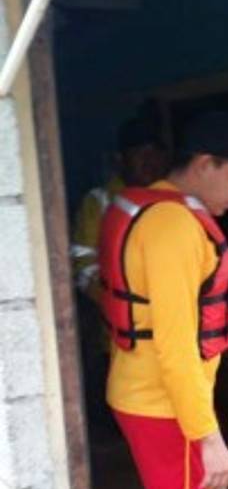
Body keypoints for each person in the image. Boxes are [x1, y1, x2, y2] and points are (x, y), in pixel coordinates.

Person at [98, 112, 228, 489]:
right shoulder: (173, 228)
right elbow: (175, 348)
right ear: (203, 165)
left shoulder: (141, 207)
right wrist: (207, 437)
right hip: (161, 402)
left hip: (148, 390)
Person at [71, 118, 168, 432]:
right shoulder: (99, 201)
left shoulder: (168, 199)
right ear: (119, 160)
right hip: (116, 327)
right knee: (123, 406)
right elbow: (82, 263)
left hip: (166, 329)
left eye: (155, 153)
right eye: (141, 154)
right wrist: (113, 303)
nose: (149, 162)